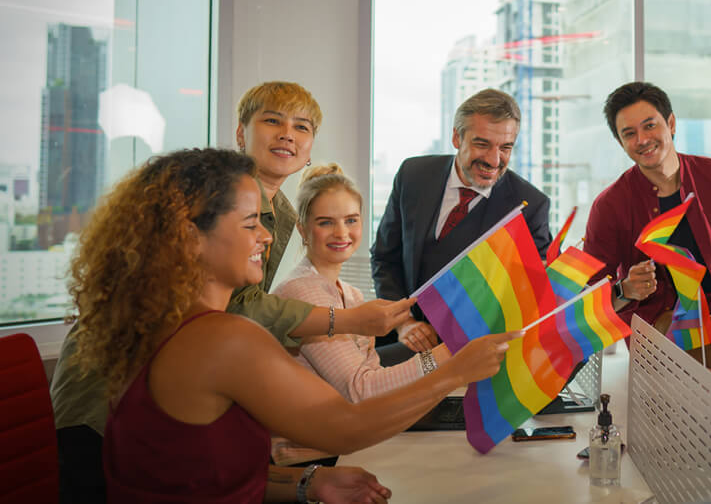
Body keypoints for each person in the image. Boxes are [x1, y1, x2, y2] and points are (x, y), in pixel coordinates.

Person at [67, 147, 518, 502]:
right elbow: (346, 426)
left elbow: (199, 473)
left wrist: (308, 484)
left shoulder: (161, 327)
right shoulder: (221, 339)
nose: (265, 236)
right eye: (250, 224)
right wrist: (454, 369)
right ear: (190, 239)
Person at [50, 82, 410, 502]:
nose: (287, 134)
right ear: (241, 133)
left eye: (301, 126)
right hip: (107, 400)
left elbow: (238, 305)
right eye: (272, 120)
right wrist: (350, 322)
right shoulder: (206, 194)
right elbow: (247, 311)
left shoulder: (280, 212)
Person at [272, 164, 457, 463]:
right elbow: (361, 391)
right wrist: (447, 355)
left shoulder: (352, 295)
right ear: (302, 229)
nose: (342, 232)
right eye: (325, 222)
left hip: (347, 443)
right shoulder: (301, 292)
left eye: (351, 220)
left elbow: (372, 378)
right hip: (312, 459)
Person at [372, 88, 551, 363]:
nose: (494, 160)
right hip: (400, 331)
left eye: (505, 148)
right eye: (482, 144)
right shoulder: (413, 175)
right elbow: (385, 259)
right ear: (457, 137)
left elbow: (527, 299)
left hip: (470, 352)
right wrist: (404, 323)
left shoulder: (529, 207)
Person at [584, 82, 711, 338]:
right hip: (660, 325)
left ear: (671, 123)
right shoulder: (609, 206)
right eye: (629, 133)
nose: (643, 140)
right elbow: (590, 295)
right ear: (620, 142)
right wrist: (625, 289)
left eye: (650, 125)